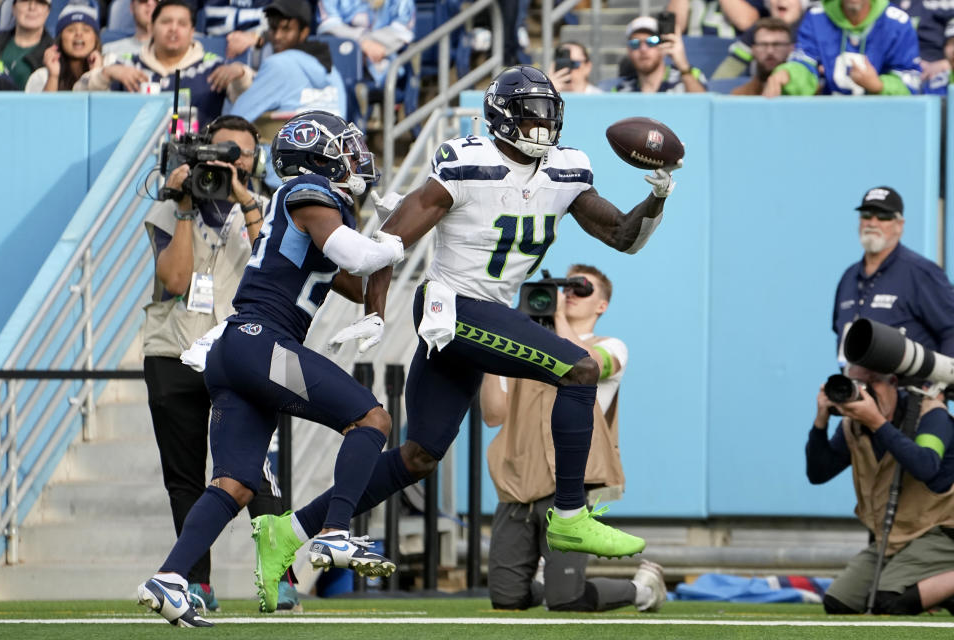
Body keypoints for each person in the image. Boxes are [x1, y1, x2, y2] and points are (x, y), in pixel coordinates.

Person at [247, 66, 683, 596]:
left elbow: (621, 235)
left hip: (484, 314)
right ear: (502, 115)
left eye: (549, 112)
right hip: (449, 308)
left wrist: (658, 195)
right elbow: (390, 237)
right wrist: (377, 311)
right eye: (530, 112)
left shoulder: (568, 169)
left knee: (419, 456)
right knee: (581, 368)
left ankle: (286, 531)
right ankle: (569, 515)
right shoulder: (467, 161)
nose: (542, 123)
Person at [137, 110, 404, 627]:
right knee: (372, 419)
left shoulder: (315, 215)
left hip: (237, 350)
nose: (356, 159)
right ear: (317, 157)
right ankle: (334, 530)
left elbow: (359, 280)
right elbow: (358, 255)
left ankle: (169, 578)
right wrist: (393, 239)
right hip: (261, 342)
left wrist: (383, 269)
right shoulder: (306, 191)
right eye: (345, 149)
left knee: (235, 482)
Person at [140, 114, 303, 614]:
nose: (229, 163)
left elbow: (277, 268)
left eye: (241, 154)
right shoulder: (173, 205)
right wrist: (186, 205)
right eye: (220, 152)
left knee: (254, 468)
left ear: (254, 160)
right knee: (185, 478)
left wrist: (245, 200)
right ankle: (195, 582)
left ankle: (278, 576)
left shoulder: (269, 208)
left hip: (239, 351)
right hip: (174, 350)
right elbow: (174, 279)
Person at [480, 264, 667, 613]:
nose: (568, 295)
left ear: (602, 305)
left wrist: (555, 322)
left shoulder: (612, 347)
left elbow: (582, 364)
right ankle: (546, 580)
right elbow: (493, 415)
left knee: (566, 600)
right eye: (564, 290)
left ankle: (642, 589)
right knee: (505, 599)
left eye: (581, 289)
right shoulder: (527, 353)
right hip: (517, 484)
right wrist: (494, 351)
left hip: (567, 489)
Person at [808, 363, 954, 614]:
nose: (865, 392)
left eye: (872, 382)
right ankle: (935, 593)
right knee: (839, 603)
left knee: (888, 602)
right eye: (856, 384)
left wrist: (877, 422)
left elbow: (926, 465)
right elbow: (819, 473)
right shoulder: (854, 426)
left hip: (942, 533)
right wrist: (820, 421)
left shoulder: (931, 415)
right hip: (898, 537)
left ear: (894, 383)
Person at [76, 0, 254, 125]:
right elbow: (78, 96)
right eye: (166, 22)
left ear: (192, 32)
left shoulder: (214, 67)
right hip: (137, 163)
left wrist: (241, 74)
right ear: (151, 28)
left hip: (197, 166)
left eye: (182, 24)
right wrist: (105, 74)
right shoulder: (125, 66)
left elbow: (251, 98)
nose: (174, 29)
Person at [832, 186, 954, 367]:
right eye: (866, 215)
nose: (873, 223)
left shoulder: (920, 273)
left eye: (883, 217)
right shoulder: (849, 277)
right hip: (860, 391)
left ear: (899, 225)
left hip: (909, 392)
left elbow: (951, 330)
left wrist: (936, 391)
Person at [763, 0, 920, 96]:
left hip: (883, 121)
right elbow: (804, 63)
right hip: (830, 117)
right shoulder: (816, 17)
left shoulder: (897, 22)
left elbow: (910, 83)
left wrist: (879, 86)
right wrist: (787, 74)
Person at [230, 0, 346, 123]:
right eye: (273, 28)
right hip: (332, 141)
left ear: (304, 32)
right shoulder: (333, 71)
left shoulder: (278, 65)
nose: (277, 36)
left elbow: (235, 120)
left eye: (286, 29)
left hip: (290, 142)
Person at [607, 16, 707, 93]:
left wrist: (683, 67)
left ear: (663, 44)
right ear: (628, 50)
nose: (643, 49)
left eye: (652, 41)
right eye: (635, 43)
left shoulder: (689, 75)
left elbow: (704, 110)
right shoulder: (621, 92)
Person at [712, 0, 802, 79]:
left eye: (777, 44)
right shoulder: (756, 30)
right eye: (763, 44)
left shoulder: (811, 29)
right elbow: (726, 74)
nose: (781, 1)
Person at [25, 2, 99, 91]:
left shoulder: (108, 72)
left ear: (96, 39)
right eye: (71, 30)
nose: (79, 34)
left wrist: (97, 74)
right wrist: (53, 77)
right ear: (60, 39)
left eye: (86, 30)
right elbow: (41, 105)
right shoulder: (41, 76)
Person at [0, 0, 52, 90]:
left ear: (48, 11)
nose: (32, 7)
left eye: (40, 2)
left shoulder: (57, 52)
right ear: (13, 8)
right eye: (25, 0)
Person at [727, 17, 793, 94]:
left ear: (790, 49)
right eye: (763, 45)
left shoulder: (805, 95)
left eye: (777, 44)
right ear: (753, 49)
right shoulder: (740, 96)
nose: (770, 51)